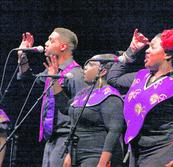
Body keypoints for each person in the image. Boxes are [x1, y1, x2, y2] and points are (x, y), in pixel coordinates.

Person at [107, 28, 173, 167]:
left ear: (167, 54)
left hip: (164, 152)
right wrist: (131, 51)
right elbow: (113, 79)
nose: (147, 50)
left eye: (153, 47)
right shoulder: (141, 76)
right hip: (137, 151)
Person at [17, 28, 86, 167]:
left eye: (51, 40)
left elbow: (81, 116)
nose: (46, 43)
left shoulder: (76, 75)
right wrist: (22, 56)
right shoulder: (52, 71)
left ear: (63, 46)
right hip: (51, 140)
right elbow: (30, 83)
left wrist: (71, 152)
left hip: (66, 139)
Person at [59, 54, 125, 167]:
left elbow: (114, 131)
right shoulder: (83, 93)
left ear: (102, 71)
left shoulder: (110, 96)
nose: (85, 67)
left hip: (95, 156)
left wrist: (103, 163)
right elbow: (65, 109)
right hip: (76, 154)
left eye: (91, 64)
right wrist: (69, 153)